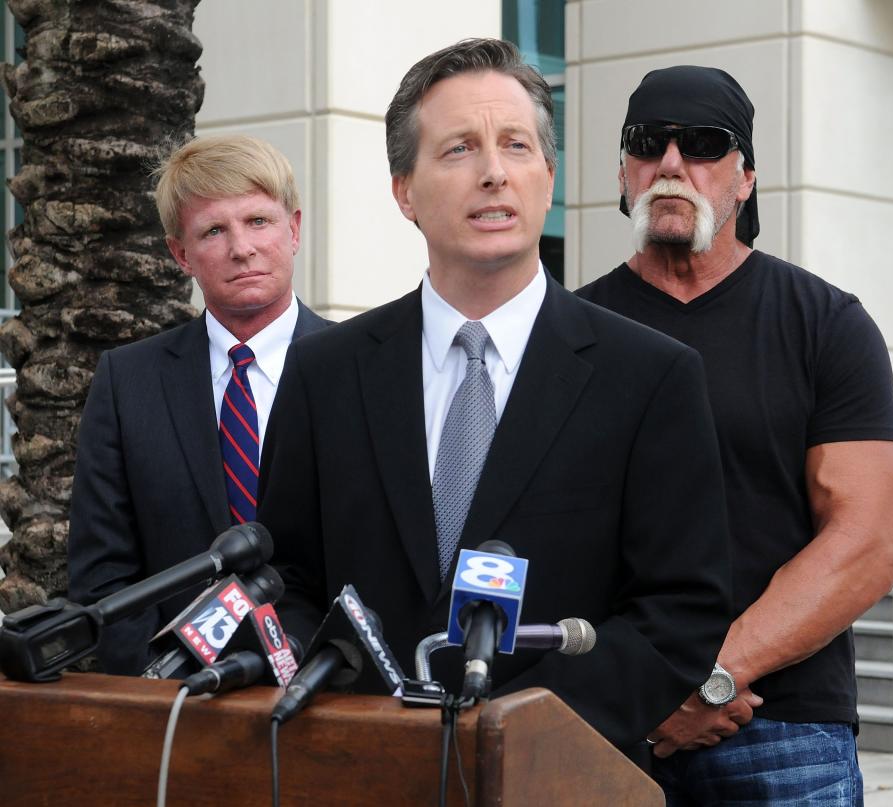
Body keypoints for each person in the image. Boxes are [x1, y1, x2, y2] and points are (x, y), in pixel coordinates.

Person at [258, 39, 732, 764]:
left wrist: (519, 730)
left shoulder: (650, 376)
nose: (492, 173)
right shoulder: (327, 371)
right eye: (457, 149)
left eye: (515, 146)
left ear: (548, 175)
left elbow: (680, 612)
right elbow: (288, 575)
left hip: (561, 771)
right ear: (404, 190)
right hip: (361, 766)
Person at [577, 65, 893, 803]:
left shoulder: (826, 326)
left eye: (702, 143)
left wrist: (710, 679)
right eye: (648, 142)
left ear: (746, 178)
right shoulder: (565, 334)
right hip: (606, 730)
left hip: (783, 734)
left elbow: (865, 545)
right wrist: (644, 700)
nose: (671, 163)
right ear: (623, 172)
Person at [67, 135, 331, 675]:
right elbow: (102, 574)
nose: (242, 248)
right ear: (180, 254)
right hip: (175, 703)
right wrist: (167, 677)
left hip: (333, 697)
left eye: (258, 221)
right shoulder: (128, 382)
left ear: (295, 229)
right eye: (214, 230)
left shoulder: (358, 369)